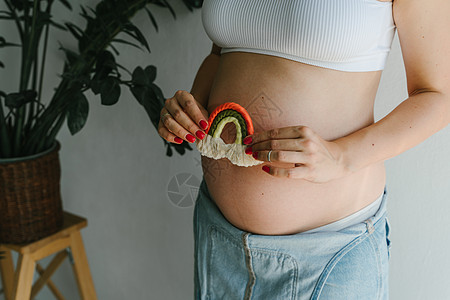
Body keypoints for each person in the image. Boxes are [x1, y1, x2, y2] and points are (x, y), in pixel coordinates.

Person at [158, 0, 450, 299]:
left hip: (328, 254)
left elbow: (437, 97)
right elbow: (220, 54)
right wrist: (188, 111)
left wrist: (341, 156)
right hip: (219, 237)